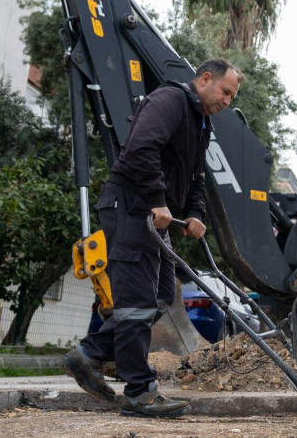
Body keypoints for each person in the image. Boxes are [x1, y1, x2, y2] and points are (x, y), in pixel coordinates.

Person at [62, 58, 243, 418]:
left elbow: (196, 178)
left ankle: (89, 354)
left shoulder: (200, 122)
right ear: (205, 79)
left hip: (155, 218)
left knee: (160, 294)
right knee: (136, 301)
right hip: (131, 209)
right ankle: (139, 392)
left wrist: (194, 213)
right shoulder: (169, 101)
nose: (227, 101)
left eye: (231, 97)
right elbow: (141, 148)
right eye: (225, 92)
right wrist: (159, 201)